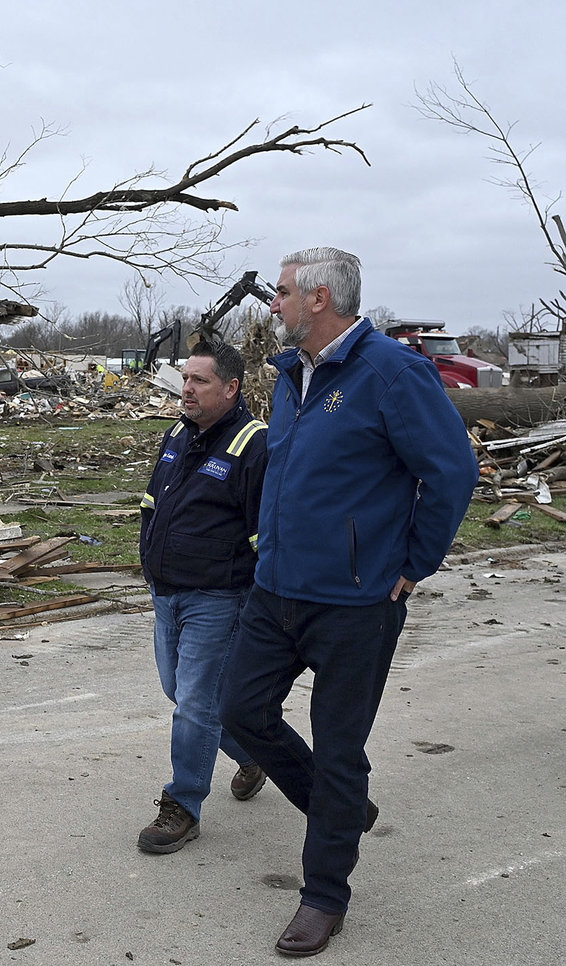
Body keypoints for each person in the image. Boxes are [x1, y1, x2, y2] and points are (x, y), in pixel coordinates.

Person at [219, 248, 478, 956]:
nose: (271, 304)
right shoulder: (288, 376)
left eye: (280, 293)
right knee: (239, 711)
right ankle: (341, 812)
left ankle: (324, 896)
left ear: (319, 297)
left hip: (357, 602)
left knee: (338, 749)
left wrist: (415, 563)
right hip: (277, 589)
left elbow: (453, 471)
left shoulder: (392, 373)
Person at [136, 340, 269, 854]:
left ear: (231, 388)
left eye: (199, 381)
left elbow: (265, 534)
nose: (186, 389)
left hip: (218, 598)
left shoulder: (254, 444)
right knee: (182, 693)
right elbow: (154, 502)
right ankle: (254, 754)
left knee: (194, 703)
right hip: (166, 592)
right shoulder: (178, 432)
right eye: (185, 379)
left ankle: (182, 805)